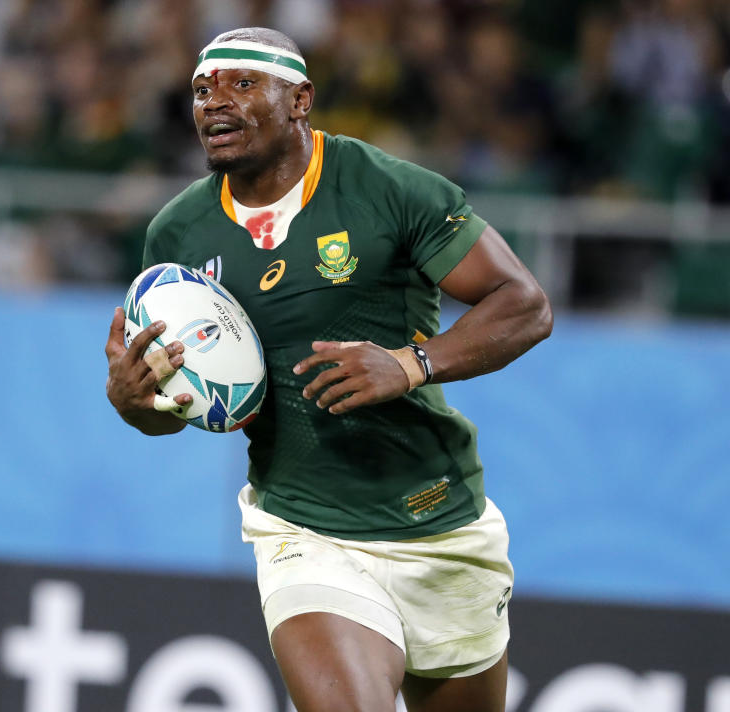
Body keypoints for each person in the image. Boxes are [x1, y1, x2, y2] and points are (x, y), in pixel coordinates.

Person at [105, 27, 552, 712]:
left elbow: (524, 304)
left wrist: (411, 364)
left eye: (242, 83)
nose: (214, 102)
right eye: (202, 89)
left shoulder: (390, 189)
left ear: (300, 99)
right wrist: (135, 401)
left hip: (437, 518)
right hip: (303, 525)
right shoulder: (178, 234)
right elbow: (182, 410)